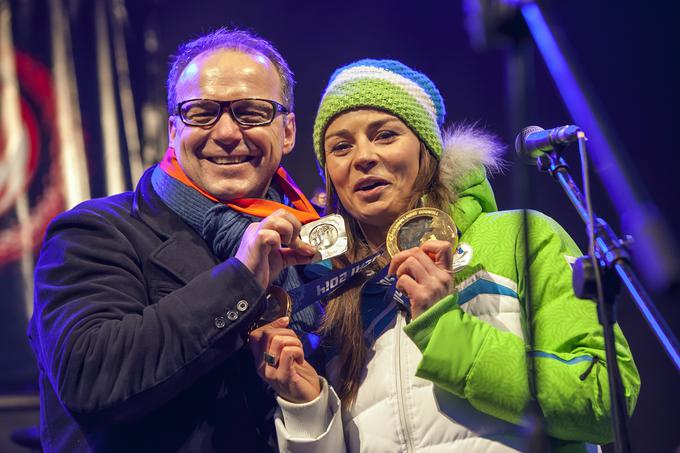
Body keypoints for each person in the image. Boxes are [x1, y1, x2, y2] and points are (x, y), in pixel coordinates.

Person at [249, 59, 641, 452]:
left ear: (426, 149)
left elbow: (607, 398)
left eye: (385, 135)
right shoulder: (333, 299)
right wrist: (306, 409)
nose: (362, 156)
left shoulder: (517, 236)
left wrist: (446, 330)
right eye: (341, 146)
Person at [28, 28, 321, 452]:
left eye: (252, 111)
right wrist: (240, 279)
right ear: (172, 130)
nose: (225, 132)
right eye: (201, 112)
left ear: (288, 131)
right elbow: (89, 377)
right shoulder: (93, 231)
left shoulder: (314, 248)